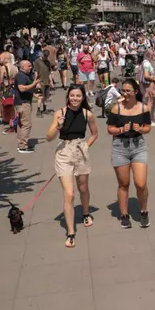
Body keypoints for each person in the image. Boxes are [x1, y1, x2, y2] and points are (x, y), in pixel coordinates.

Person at [47, 85, 99, 248]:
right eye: (72, 95)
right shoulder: (60, 113)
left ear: (83, 97)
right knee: (69, 194)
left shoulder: (87, 114)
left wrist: (85, 146)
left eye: (78, 96)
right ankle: (70, 232)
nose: (75, 98)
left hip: (80, 151)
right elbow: (49, 137)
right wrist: (58, 126)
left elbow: (94, 133)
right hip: (64, 152)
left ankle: (85, 213)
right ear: (68, 97)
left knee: (83, 188)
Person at [106, 78, 152, 229]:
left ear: (136, 91)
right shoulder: (116, 108)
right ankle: (124, 214)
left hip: (138, 146)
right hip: (120, 147)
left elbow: (148, 128)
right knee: (123, 184)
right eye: (123, 90)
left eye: (128, 91)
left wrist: (140, 129)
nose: (125, 94)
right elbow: (110, 129)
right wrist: (120, 130)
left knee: (140, 183)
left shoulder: (144, 108)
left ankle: (144, 210)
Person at [15, 60, 40, 154]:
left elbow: (26, 89)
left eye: (31, 65)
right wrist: (34, 84)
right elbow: (21, 88)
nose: (31, 67)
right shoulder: (21, 75)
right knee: (26, 124)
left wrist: (34, 94)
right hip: (23, 103)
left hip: (23, 102)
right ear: (22, 67)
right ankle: (22, 146)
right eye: (29, 66)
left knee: (21, 124)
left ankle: (21, 143)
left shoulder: (25, 75)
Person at [138, 50, 155, 126]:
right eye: (152, 55)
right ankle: (148, 120)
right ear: (148, 55)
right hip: (148, 85)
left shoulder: (144, 62)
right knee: (150, 102)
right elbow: (146, 76)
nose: (153, 57)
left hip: (146, 84)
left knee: (152, 101)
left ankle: (150, 118)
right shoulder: (147, 63)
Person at [34, 49, 54, 118]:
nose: (45, 57)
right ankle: (38, 111)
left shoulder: (47, 62)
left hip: (47, 82)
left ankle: (44, 109)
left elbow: (49, 73)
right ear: (42, 54)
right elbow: (36, 72)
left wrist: (51, 82)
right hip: (40, 81)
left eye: (47, 56)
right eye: (44, 56)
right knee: (40, 97)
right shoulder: (37, 61)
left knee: (46, 96)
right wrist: (36, 82)